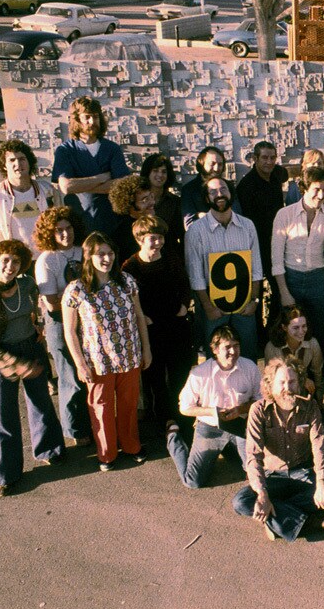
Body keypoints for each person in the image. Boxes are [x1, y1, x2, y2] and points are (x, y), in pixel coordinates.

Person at [233, 357, 324, 542]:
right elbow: (253, 456)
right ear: (270, 384)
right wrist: (263, 493)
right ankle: (314, 521)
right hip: (273, 477)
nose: (287, 388)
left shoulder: (310, 407)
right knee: (240, 502)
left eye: (292, 382)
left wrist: (321, 482)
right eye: (281, 382)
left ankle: (277, 516)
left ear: (299, 383)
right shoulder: (258, 410)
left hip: (304, 473)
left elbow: (319, 445)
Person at [0, 239, 66, 497]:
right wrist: (13, 362)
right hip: (3, 356)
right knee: (4, 415)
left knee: (40, 402)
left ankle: (49, 450)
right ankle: (6, 474)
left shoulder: (27, 284)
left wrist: (39, 326)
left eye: (16, 261)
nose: (10, 266)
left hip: (31, 347)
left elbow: (36, 306)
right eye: (5, 260)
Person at [63, 232, 151, 470]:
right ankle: (107, 453)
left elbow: (139, 316)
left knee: (129, 404)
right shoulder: (76, 289)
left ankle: (132, 445)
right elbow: (70, 331)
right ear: (89, 256)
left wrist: (146, 349)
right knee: (100, 408)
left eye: (110, 253)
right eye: (100, 254)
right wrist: (80, 364)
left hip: (129, 355)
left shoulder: (126, 281)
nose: (107, 259)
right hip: (98, 361)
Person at [122, 215, 194, 431]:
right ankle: (163, 419)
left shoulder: (171, 258)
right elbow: (126, 299)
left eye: (161, 237)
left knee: (179, 373)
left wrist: (183, 305)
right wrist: (141, 317)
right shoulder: (130, 267)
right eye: (153, 238)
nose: (159, 242)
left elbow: (184, 284)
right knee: (155, 377)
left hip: (175, 324)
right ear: (140, 240)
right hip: (150, 329)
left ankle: (183, 416)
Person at [166, 325, 258, 488]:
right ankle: (173, 437)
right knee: (192, 481)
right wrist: (213, 412)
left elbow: (263, 400)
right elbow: (185, 407)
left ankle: (226, 450)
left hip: (241, 425)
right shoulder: (200, 373)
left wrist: (242, 409)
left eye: (236, 346)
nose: (233, 351)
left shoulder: (249, 367)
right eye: (227, 347)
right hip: (210, 427)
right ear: (214, 349)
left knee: (254, 473)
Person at [184, 176, 264, 360]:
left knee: (248, 354)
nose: (219, 194)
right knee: (216, 358)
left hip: (245, 305)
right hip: (213, 308)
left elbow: (256, 268)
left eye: (223, 189)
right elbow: (195, 276)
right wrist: (208, 307)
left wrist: (255, 301)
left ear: (231, 193)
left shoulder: (248, 225)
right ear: (206, 198)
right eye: (212, 192)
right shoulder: (196, 231)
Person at [33, 206, 91, 447]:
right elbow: (52, 303)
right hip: (59, 323)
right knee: (70, 377)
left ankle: (92, 422)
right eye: (59, 231)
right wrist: (79, 299)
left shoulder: (84, 251)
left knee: (89, 373)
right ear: (50, 233)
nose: (65, 234)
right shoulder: (46, 260)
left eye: (68, 228)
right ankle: (75, 430)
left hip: (86, 321)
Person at [271, 166, 324, 346]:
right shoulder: (284, 215)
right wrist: (284, 292)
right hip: (291, 278)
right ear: (304, 189)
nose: (321, 195)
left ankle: (316, 370)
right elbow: (277, 258)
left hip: (317, 279)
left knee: (316, 330)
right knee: (290, 330)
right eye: (316, 190)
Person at [52, 96, 130, 234]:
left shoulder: (112, 149)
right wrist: (101, 178)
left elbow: (122, 185)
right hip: (80, 224)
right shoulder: (65, 150)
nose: (92, 121)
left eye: (95, 117)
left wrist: (81, 186)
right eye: (87, 117)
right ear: (77, 119)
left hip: (113, 223)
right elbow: (66, 186)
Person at [239, 141, 292, 334]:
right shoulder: (246, 185)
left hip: (275, 241)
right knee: (256, 290)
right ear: (255, 159)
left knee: (279, 287)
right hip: (255, 243)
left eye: (272, 158)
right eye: (264, 158)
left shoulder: (276, 176)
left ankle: (273, 328)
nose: (269, 162)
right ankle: (258, 334)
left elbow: (284, 173)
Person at [0, 139, 61, 252]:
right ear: (4, 165)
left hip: (45, 258)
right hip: (15, 263)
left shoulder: (47, 190)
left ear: (29, 162)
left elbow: (61, 222)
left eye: (22, 159)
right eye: (12, 160)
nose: (18, 164)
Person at [265, 307, 324, 402]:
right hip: (282, 390)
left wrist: (321, 399)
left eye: (304, 326)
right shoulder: (272, 347)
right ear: (284, 327)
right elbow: (270, 380)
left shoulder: (313, 344)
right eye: (295, 328)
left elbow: (318, 374)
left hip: (304, 392)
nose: (301, 332)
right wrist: (302, 380)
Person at [181, 146, 240, 230]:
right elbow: (190, 225)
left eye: (220, 164)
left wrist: (203, 216)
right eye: (212, 164)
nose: (216, 169)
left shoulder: (229, 187)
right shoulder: (189, 190)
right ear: (202, 165)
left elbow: (237, 218)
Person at [139, 153, 184, 249]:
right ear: (148, 173)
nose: (160, 175)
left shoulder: (175, 202)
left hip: (168, 255)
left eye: (164, 172)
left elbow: (181, 233)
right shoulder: (138, 200)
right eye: (155, 171)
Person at [107, 174, 156, 261]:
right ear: (130, 206)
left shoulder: (158, 223)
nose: (152, 202)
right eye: (145, 200)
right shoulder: (120, 236)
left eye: (151, 197)